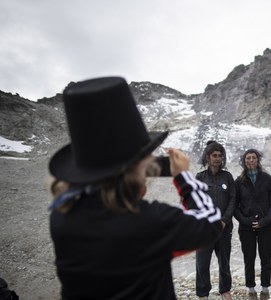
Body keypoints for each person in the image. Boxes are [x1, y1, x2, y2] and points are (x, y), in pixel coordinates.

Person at [48, 76, 223, 299]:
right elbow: (209, 224)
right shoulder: (148, 221)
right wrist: (184, 177)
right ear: (135, 167)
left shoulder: (61, 216)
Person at [194, 141, 236, 300]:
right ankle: (202, 293)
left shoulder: (227, 176)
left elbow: (233, 199)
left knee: (224, 260)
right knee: (202, 262)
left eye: (220, 156)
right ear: (208, 157)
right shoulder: (200, 177)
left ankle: (225, 289)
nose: (217, 159)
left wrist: (224, 220)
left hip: (224, 228)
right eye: (214, 155)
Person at [234, 149, 271, 300]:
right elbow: (235, 206)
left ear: (258, 160)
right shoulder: (239, 182)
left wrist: (264, 221)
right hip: (246, 227)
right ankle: (251, 289)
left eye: (253, 158)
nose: (251, 160)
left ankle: (265, 289)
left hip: (266, 226)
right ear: (244, 161)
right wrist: (247, 221)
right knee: (249, 258)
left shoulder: (267, 179)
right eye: (248, 158)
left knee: (266, 257)